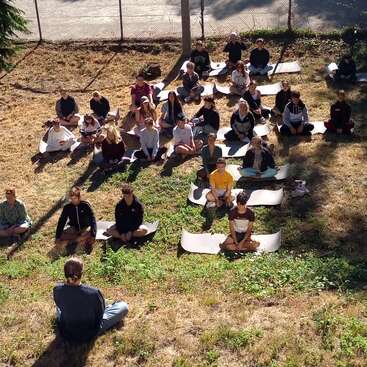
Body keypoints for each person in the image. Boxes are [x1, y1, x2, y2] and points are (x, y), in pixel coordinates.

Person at [54, 257, 128, 342]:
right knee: (123, 306)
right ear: (82, 273)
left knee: (59, 309)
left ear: (65, 273)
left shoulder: (57, 289)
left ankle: (103, 302)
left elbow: (59, 305)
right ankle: (106, 302)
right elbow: (100, 315)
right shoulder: (94, 292)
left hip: (66, 332)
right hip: (89, 333)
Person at [54, 187, 96, 255]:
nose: (73, 201)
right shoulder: (67, 207)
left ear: (79, 197)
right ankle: (78, 239)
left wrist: (93, 235)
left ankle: (72, 241)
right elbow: (62, 221)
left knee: (90, 232)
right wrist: (57, 237)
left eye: (75, 198)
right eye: (71, 199)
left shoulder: (85, 205)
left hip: (84, 228)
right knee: (61, 234)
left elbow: (93, 220)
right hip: (74, 229)